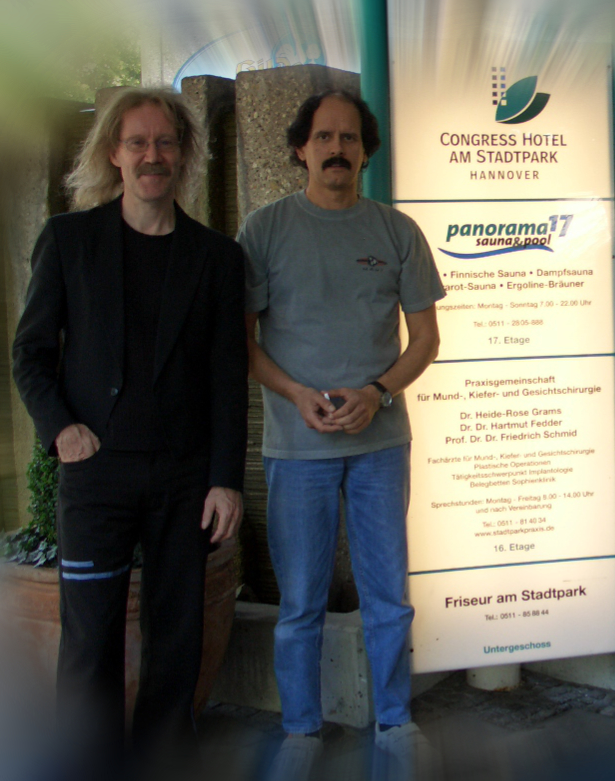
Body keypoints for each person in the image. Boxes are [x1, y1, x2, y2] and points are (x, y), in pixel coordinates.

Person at [12, 87, 248, 776]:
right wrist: (60, 430)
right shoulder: (69, 241)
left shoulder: (217, 257)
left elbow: (227, 378)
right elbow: (30, 354)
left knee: (176, 638)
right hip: (97, 476)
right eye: (138, 142)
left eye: (165, 142)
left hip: (183, 479)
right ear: (113, 153)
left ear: (184, 154)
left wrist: (226, 479)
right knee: (89, 639)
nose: (153, 155)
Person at [238, 89, 445, 780]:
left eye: (349, 138)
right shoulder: (264, 230)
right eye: (323, 137)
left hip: (380, 444)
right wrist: (297, 394)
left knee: (388, 596)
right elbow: (242, 343)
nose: (336, 149)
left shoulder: (396, 231)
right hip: (297, 449)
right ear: (301, 148)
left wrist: (378, 392)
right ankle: (300, 728)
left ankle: (396, 720)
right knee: (300, 602)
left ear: (365, 150)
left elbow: (427, 340)